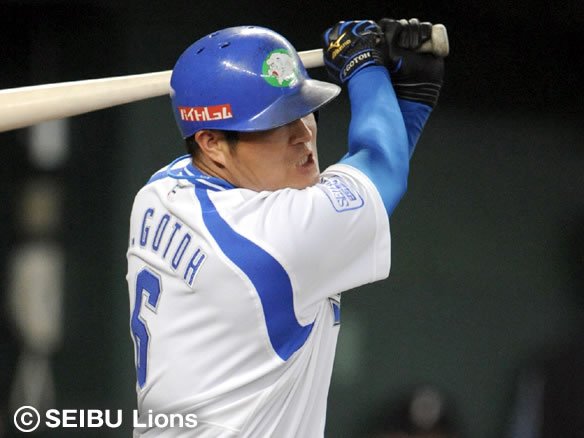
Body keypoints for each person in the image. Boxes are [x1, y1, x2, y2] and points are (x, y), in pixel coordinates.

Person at [126, 19, 444, 437]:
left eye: (303, 109)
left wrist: (405, 100)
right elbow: (380, 167)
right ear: (211, 143)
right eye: (274, 122)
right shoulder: (268, 242)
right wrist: (364, 68)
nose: (303, 134)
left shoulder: (160, 192)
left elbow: (368, 183)